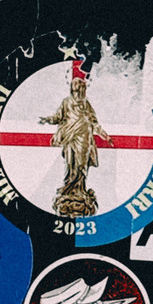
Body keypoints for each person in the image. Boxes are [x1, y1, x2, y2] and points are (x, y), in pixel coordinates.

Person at [40, 67, 110, 218]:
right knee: (71, 164)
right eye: (76, 88)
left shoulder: (86, 104)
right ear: (72, 89)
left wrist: (103, 133)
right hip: (70, 136)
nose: (78, 91)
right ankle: (69, 189)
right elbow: (58, 117)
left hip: (84, 137)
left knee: (82, 164)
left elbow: (93, 121)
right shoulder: (66, 102)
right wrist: (47, 120)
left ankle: (80, 190)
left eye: (81, 88)